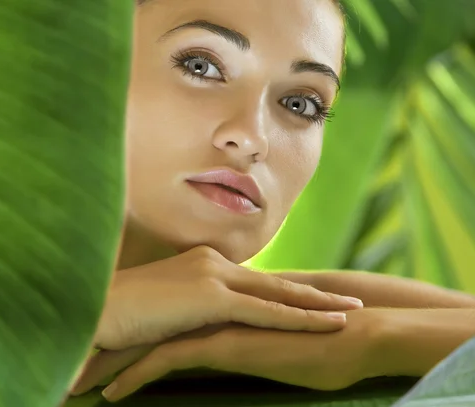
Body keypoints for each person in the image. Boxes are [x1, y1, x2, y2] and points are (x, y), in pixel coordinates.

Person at [71, 0, 475, 402]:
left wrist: (377, 338)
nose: (252, 138)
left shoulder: (270, 320)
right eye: (201, 66)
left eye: (300, 104)